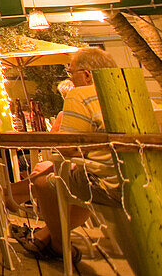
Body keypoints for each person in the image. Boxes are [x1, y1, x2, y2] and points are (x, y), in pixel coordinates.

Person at [11, 47, 120, 263]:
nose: (70, 78)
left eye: (71, 73)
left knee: (44, 178)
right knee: (66, 175)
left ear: (87, 74)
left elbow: (66, 147)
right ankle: (41, 234)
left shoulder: (81, 94)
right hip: (147, 178)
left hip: (109, 184)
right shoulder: (131, 90)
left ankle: (58, 246)